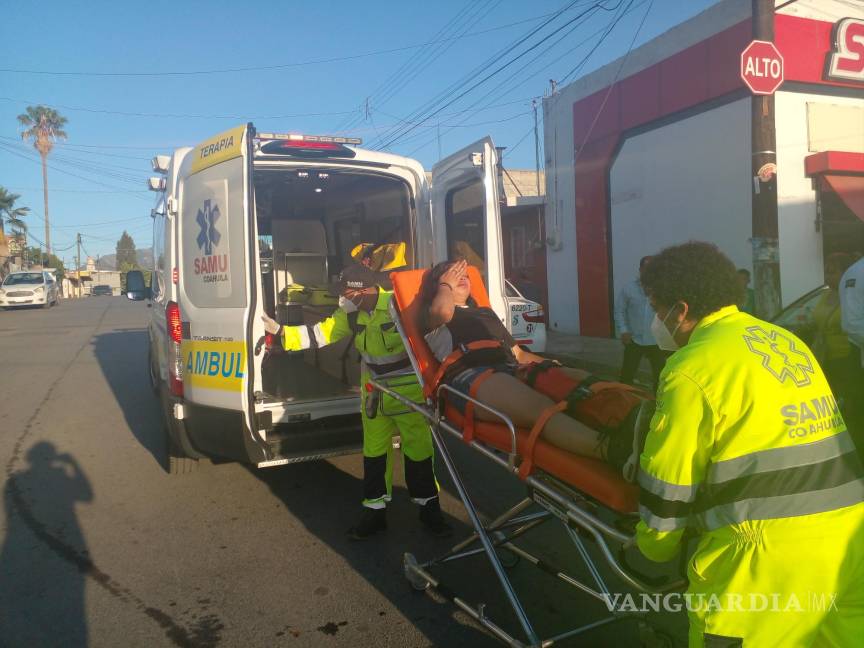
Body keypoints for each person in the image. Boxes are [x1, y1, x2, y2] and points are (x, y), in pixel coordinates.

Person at [637, 241, 864, 647]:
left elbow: (669, 479)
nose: (658, 321)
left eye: (658, 309)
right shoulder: (782, 342)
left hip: (762, 559)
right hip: (847, 540)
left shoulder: (692, 368)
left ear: (681, 310)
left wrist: (655, 545)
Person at [261, 264, 451, 540]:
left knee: (418, 453)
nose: (344, 298)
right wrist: (280, 330)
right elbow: (320, 334)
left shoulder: (401, 306)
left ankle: (429, 510)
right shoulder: (351, 314)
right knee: (374, 454)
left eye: (347, 292)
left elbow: (438, 341)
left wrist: (437, 386)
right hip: (375, 395)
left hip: (409, 395)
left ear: (363, 290)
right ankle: (374, 513)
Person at [421, 259, 641, 471]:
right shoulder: (432, 314)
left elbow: (519, 354)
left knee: (582, 381)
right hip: (471, 375)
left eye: (465, 275)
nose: (462, 277)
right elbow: (443, 312)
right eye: (453, 274)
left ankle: (635, 416)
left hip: (510, 368)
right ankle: (615, 453)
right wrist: (445, 284)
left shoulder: (485, 313)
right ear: (440, 285)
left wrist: (552, 365)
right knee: (542, 407)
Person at [614, 256, 665, 389]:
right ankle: (624, 402)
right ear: (640, 270)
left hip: (657, 341)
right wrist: (624, 330)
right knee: (626, 375)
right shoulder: (629, 288)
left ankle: (657, 406)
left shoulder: (664, 289)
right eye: (645, 268)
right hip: (634, 340)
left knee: (660, 377)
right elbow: (619, 311)